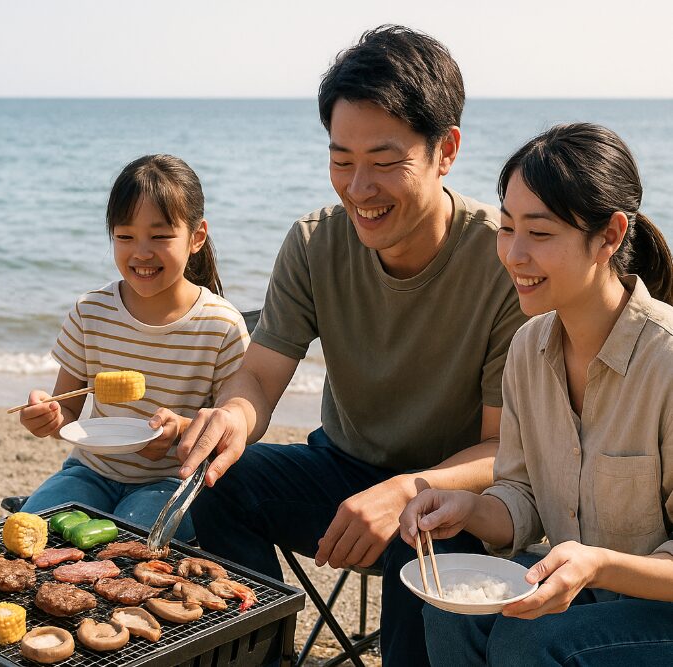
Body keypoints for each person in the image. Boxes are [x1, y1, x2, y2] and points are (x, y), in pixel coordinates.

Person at [175, 26, 527, 664]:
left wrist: (408, 492)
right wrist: (230, 417)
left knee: (422, 556)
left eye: (385, 162)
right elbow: (258, 377)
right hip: (343, 468)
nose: (359, 188)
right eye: (342, 160)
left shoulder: (501, 257)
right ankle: (259, 653)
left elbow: (506, 446)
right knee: (221, 484)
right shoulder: (314, 243)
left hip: (452, 493)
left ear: (445, 150)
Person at [399, 123, 673, 665]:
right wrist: (469, 507)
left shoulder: (665, 362)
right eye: (506, 228)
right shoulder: (528, 348)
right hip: (590, 593)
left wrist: (598, 565)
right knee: (448, 610)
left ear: (610, 236)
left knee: (529, 639)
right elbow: (522, 496)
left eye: (540, 234)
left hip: (658, 607)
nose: (514, 255)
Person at [18, 154, 249, 541]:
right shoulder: (90, 312)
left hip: (170, 481)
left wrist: (180, 430)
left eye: (160, 237)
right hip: (89, 472)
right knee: (25, 536)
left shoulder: (221, 326)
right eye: (125, 236)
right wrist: (48, 418)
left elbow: (229, 432)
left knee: (125, 548)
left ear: (196, 236)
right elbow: (69, 412)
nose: (141, 252)